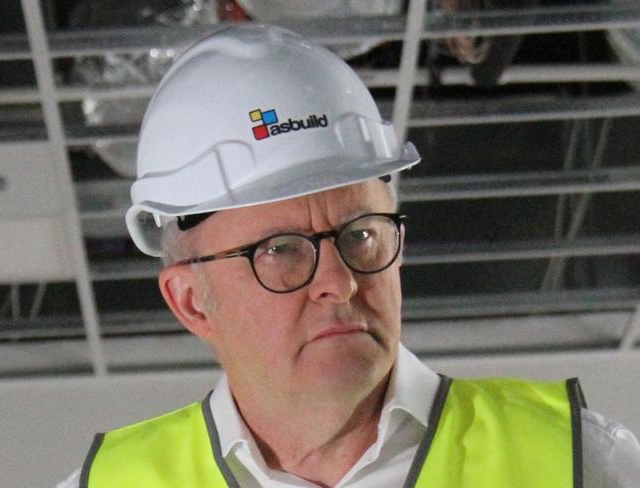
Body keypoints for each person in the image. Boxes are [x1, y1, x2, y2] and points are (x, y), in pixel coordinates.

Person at [59, 25, 640, 488]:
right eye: (280, 250)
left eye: (361, 235)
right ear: (191, 302)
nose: (338, 281)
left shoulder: (581, 464)